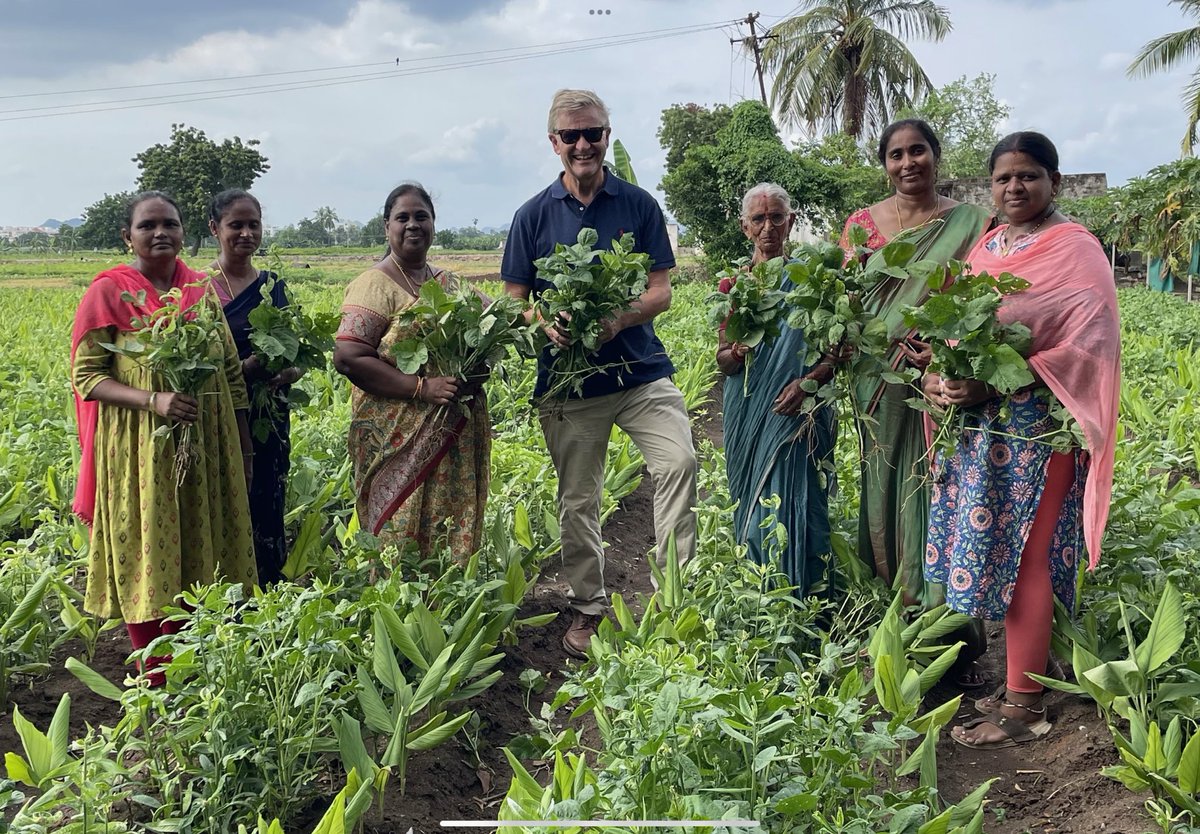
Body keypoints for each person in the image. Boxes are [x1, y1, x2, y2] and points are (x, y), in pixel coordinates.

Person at [922, 132, 1120, 748]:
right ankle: (1021, 675)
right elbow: (954, 325)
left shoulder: (1076, 251)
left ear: (1054, 182)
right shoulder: (989, 245)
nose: (1015, 187)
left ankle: (1025, 708)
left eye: (1029, 176)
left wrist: (996, 384)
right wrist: (941, 374)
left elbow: (1091, 345)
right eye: (1004, 178)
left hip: (1041, 425)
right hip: (985, 430)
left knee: (1027, 556)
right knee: (1003, 549)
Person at [502, 88, 698, 658]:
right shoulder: (532, 216)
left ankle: (672, 602)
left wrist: (620, 317)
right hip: (571, 383)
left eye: (593, 133)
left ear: (607, 137)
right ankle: (588, 606)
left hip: (639, 372)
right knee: (578, 499)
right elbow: (514, 299)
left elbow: (660, 288)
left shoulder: (638, 205)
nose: (583, 144)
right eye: (572, 136)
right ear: (554, 143)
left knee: (679, 461)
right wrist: (546, 321)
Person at [70, 191, 257, 683]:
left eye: (170, 224)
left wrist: (243, 444)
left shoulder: (200, 289)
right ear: (126, 236)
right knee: (147, 548)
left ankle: (197, 665)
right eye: (148, 225)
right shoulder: (110, 292)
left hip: (205, 446)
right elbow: (88, 377)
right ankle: (156, 673)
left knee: (202, 544)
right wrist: (154, 400)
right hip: (141, 450)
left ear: (184, 232)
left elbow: (231, 374)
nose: (160, 234)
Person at [839, 118, 993, 685]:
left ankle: (950, 636)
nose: (908, 163)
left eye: (918, 151)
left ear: (936, 154)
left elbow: (987, 294)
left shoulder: (972, 224)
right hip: (877, 384)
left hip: (942, 387)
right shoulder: (860, 227)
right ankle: (893, 621)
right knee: (884, 494)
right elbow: (846, 304)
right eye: (896, 154)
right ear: (884, 163)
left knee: (941, 495)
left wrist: (945, 346)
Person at [333, 183, 489, 561]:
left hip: (453, 431)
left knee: (450, 525)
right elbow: (349, 357)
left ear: (433, 224)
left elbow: (493, 324)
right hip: (397, 435)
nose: (413, 224)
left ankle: (446, 604)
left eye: (422, 216)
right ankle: (397, 606)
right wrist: (421, 388)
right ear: (387, 226)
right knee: (396, 535)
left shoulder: (450, 284)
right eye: (402, 217)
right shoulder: (374, 285)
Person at [716, 183, 837, 596]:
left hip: (795, 410)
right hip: (748, 407)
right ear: (744, 227)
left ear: (791, 222)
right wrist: (735, 350)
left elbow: (837, 351)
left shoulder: (812, 281)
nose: (768, 227)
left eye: (777, 217)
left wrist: (807, 385)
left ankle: (803, 594)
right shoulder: (734, 287)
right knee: (750, 499)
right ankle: (759, 596)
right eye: (758, 219)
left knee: (795, 499)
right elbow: (724, 362)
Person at [207, 189, 301, 585]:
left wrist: (286, 374)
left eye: (253, 225)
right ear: (215, 229)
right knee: (225, 498)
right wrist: (243, 369)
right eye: (236, 225)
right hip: (220, 414)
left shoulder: (272, 285)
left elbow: (295, 352)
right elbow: (202, 366)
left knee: (267, 494)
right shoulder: (201, 290)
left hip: (269, 412)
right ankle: (224, 586)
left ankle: (269, 583)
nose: (246, 233)